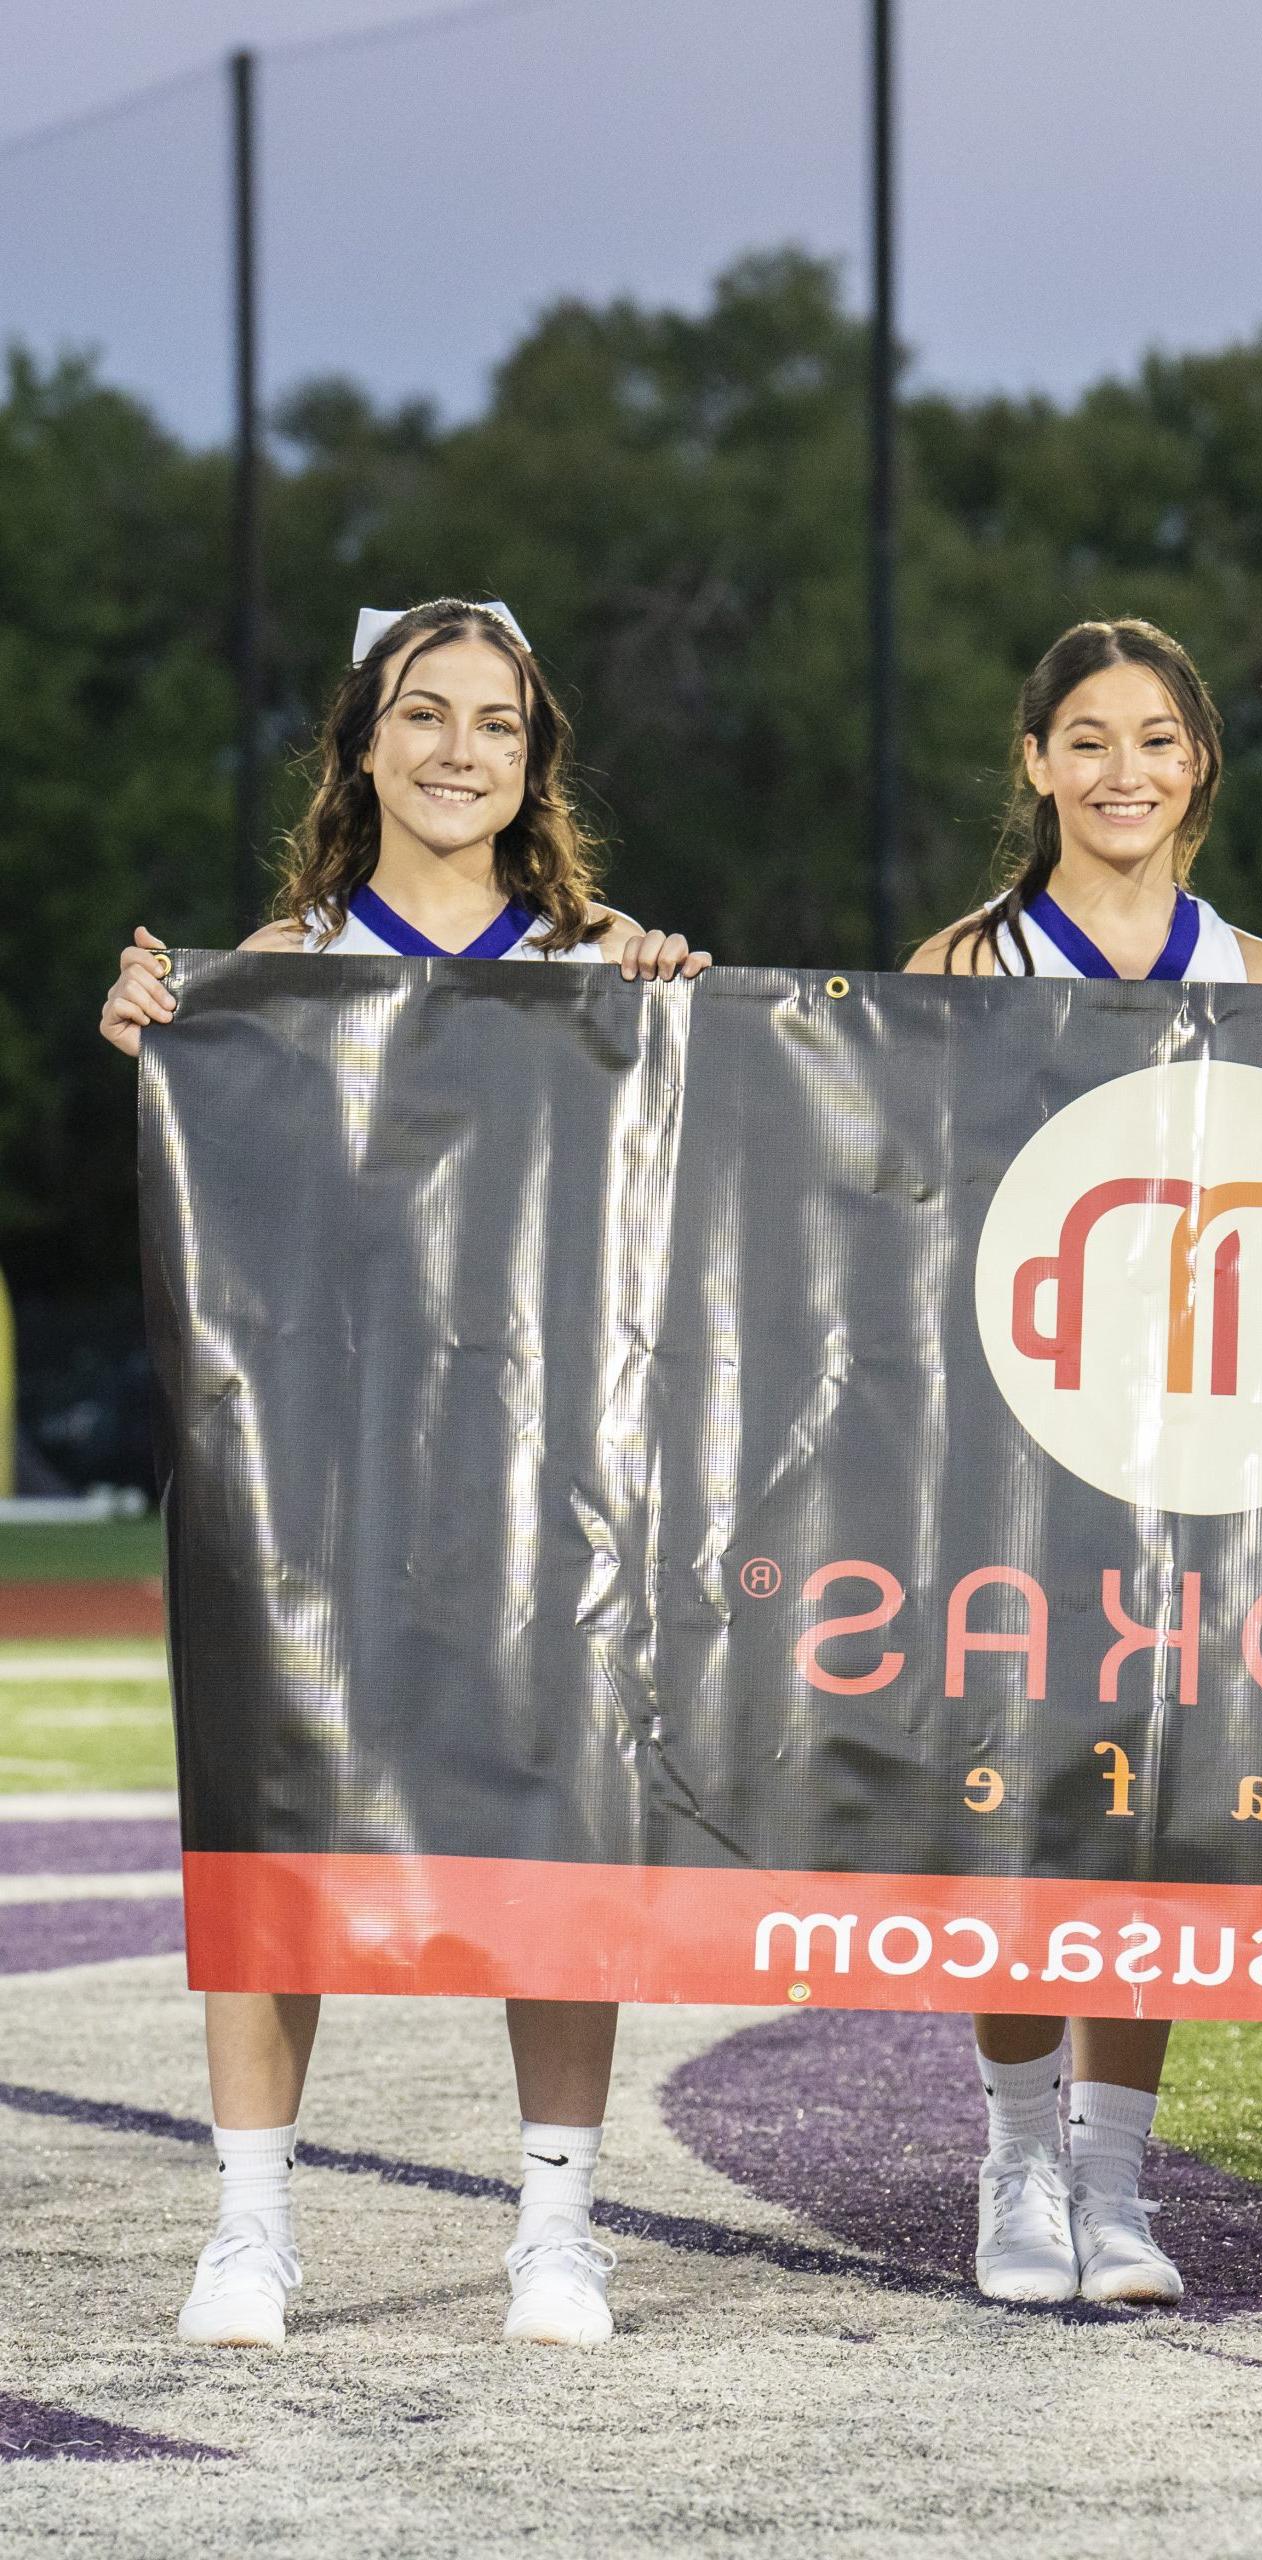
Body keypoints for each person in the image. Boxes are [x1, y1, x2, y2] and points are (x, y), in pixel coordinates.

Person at [100, 598, 710, 2351]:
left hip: (550, 1481)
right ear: (361, 745)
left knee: (556, 1835)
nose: (460, 752)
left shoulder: (606, 977)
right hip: (312, 1485)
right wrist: (161, 1035)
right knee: (271, 1820)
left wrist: (685, 1021)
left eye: (498, 725)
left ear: (535, 763)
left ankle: (557, 2226)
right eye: (425, 716)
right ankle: (250, 2225)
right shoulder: (271, 969)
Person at [907, 616, 1262, 2305]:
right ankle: (1013, 2165)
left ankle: (1116, 2180)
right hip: (1012, 1445)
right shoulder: (956, 969)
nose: (1120, 771)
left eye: (1153, 738)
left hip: (1198, 1452)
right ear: (1034, 762)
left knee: (1156, 1807)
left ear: (1196, 762)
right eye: (1085, 738)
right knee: (1019, 1797)